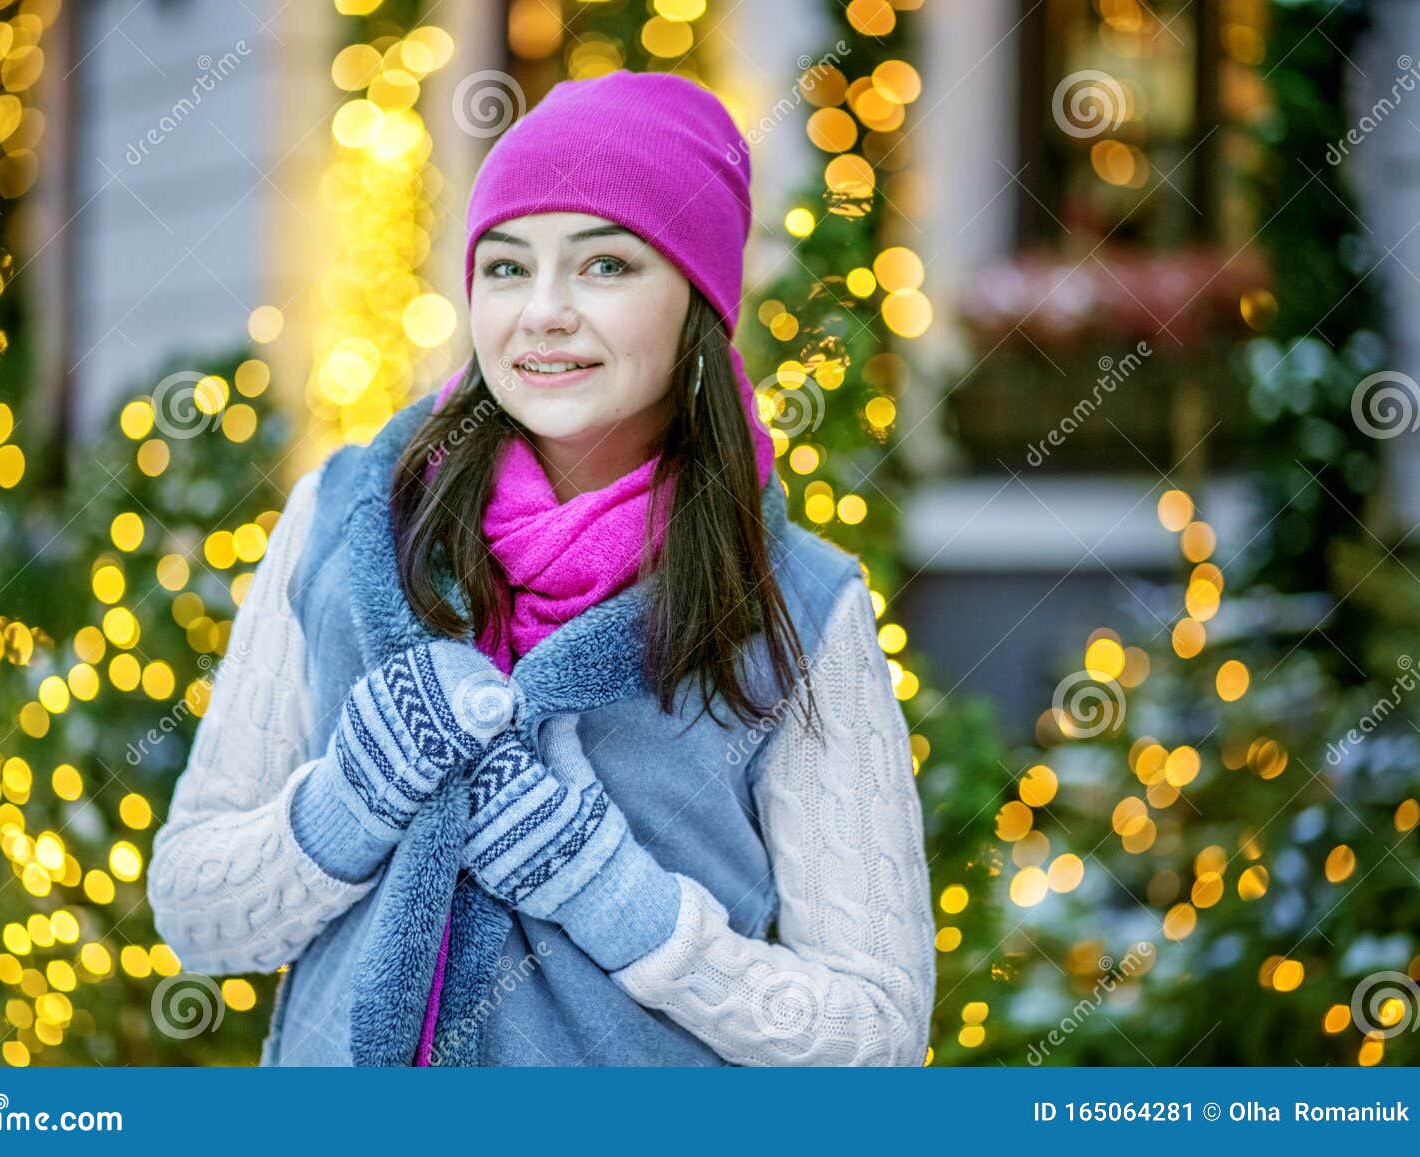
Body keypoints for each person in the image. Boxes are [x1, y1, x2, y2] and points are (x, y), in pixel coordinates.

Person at [147, 69, 935, 1067]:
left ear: (695, 302)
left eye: (605, 267)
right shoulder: (343, 524)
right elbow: (195, 912)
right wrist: (346, 802)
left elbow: (877, 1032)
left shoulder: (797, 602)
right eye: (508, 268)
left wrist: (619, 897)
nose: (543, 312)